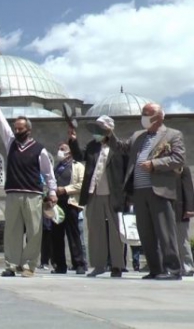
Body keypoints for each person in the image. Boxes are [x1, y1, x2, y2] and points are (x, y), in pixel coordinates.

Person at [111, 103, 185, 280]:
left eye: (147, 114)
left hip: (159, 190)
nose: (143, 117)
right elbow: (122, 147)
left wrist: (154, 164)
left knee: (165, 231)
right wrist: (109, 134)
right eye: (143, 113)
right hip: (139, 190)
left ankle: (174, 270)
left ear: (159, 117)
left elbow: (179, 158)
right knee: (145, 233)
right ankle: (155, 269)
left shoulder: (173, 135)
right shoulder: (138, 136)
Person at [0, 93, 57, 278]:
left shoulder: (39, 149)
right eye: (16, 128)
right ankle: (12, 265)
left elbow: (48, 173)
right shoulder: (11, 143)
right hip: (12, 194)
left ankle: (29, 265)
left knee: (35, 231)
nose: (17, 131)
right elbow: (2, 125)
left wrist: (52, 192)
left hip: (33, 194)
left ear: (28, 130)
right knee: (12, 231)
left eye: (20, 128)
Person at [69, 115, 128, 277]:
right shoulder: (93, 146)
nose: (97, 132)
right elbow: (80, 156)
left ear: (109, 129)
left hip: (113, 194)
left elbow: (126, 170)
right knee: (96, 230)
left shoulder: (119, 147)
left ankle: (117, 266)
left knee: (116, 232)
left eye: (101, 129)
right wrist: (73, 141)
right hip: (94, 193)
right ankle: (99, 265)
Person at [50, 142, 86, 274]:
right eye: (59, 148)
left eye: (62, 149)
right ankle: (60, 265)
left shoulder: (77, 166)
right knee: (57, 236)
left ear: (70, 152)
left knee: (73, 235)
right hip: (57, 205)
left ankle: (79, 264)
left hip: (70, 203)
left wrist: (65, 189)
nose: (59, 151)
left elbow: (82, 184)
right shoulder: (57, 167)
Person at [175, 166, 194, 276]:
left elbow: (188, 189)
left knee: (182, 240)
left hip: (180, 210)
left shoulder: (183, 169)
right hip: (167, 210)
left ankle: (188, 266)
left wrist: (190, 209)